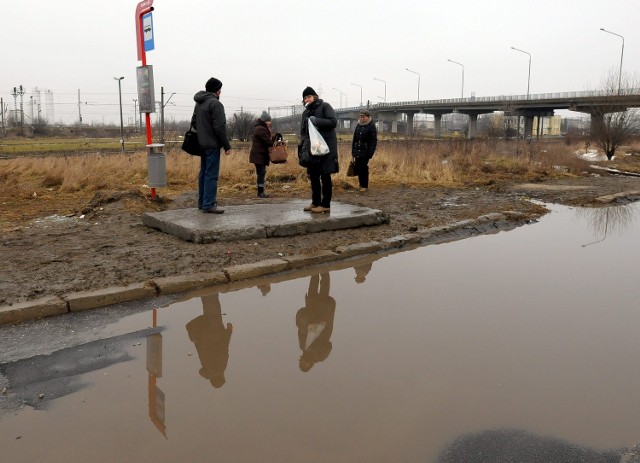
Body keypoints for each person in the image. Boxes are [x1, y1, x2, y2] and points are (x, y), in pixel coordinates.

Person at [191, 77, 232, 214]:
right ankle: (209, 203)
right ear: (217, 90)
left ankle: (202, 202)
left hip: (201, 143)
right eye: (220, 88)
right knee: (211, 174)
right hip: (212, 144)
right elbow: (220, 127)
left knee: (204, 173)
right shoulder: (215, 104)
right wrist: (226, 146)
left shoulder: (199, 103)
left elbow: (194, 123)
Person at [299, 86, 339, 213]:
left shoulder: (325, 106)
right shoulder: (305, 113)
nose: (307, 99)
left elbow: (333, 122)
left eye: (309, 96)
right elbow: (303, 131)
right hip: (313, 149)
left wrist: (316, 121)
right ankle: (315, 202)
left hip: (326, 147)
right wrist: (304, 144)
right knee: (313, 175)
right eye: (305, 98)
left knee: (325, 175)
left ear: (314, 96)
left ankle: (325, 204)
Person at [186, 293, 233, 389]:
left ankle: (211, 291)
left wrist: (229, 331)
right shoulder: (208, 370)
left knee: (213, 308)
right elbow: (201, 372)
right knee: (208, 309)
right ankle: (205, 292)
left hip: (215, 332)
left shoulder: (221, 367)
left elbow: (223, 347)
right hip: (202, 336)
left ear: (222, 377)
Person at [295, 273, 336, 372]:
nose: (303, 361)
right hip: (323, 318)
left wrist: (304, 322)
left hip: (311, 315)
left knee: (312, 288)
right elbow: (329, 346)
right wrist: (312, 348)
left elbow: (301, 332)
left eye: (301, 363)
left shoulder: (303, 347)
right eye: (304, 364)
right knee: (324, 289)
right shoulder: (320, 357)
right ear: (309, 365)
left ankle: (315, 271)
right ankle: (325, 270)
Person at [249, 111, 275, 198]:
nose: (270, 123)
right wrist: (274, 141)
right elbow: (268, 142)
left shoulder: (260, 128)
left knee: (261, 173)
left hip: (259, 155)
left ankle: (261, 191)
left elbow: (267, 140)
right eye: (269, 121)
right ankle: (260, 192)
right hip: (259, 155)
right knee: (261, 173)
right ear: (264, 121)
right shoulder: (260, 129)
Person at [351, 109, 378, 192]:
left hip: (365, 152)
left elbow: (374, 140)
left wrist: (370, 152)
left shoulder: (371, 126)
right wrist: (353, 151)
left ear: (368, 117)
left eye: (363, 117)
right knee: (358, 168)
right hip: (357, 151)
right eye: (361, 117)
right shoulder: (358, 125)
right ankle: (360, 185)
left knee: (363, 168)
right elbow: (354, 139)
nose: (362, 118)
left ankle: (364, 186)